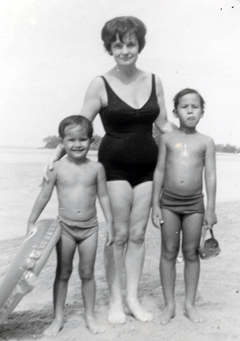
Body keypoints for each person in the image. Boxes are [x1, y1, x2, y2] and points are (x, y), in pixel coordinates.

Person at [44, 16, 176, 324]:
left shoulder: (154, 80)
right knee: (118, 234)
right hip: (113, 168)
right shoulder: (100, 83)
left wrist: (188, 146)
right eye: (118, 45)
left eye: (131, 44)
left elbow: (164, 124)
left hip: (147, 167)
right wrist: (56, 153)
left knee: (139, 235)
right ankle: (115, 299)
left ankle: (132, 298)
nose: (125, 51)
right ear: (110, 48)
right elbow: (80, 125)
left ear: (139, 45)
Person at [28, 115, 114, 335]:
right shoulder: (56, 168)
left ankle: (90, 316)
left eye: (83, 139)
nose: (77, 144)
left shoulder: (97, 168)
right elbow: (43, 196)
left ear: (91, 140)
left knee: (87, 273)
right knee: (63, 272)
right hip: (64, 228)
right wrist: (31, 220)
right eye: (71, 140)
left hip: (90, 229)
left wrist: (110, 223)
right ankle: (57, 318)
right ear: (62, 142)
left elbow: (104, 196)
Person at [152, 88, 217, 324]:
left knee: (191, 253)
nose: (190, 110)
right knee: (168, 252)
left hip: (194, 205)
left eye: (195, 106)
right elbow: (159, 171)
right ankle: (169, 305)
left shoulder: (206, 142)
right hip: (168, 203)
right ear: (175, 111)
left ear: (202, 112)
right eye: (184, 106)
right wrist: (154, 204)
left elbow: (210, 176)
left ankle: (189, 304)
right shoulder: (167, 139)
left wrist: (210, 209)